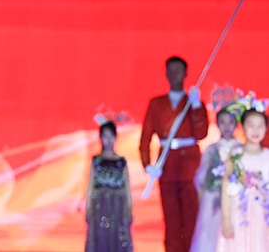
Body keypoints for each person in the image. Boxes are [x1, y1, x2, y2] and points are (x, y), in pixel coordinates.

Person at [138, 56, 209, 252]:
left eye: (178, 70)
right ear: (166, 74)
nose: (174, 74)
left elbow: (201, 133)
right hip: (166, 165)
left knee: (192, 216)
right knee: (171, 219)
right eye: (170, 70)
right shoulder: (156, 103)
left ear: (185, 74)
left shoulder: (193, 103)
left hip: (190, 167)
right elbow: (145, 138)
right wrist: (147, 165)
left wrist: (196, 107)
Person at [191, 107, 242, 252]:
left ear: (236, 124)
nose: (226, 127)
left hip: (235, 199)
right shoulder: (211, 149)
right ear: (217, 124)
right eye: (222, 122)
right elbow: (201, 177)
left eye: (230, 122)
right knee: (209, 233)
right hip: (212, 198)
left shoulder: (241, 149)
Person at [218, 105, 269, 251]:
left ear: (266, 128)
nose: (256, 130)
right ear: (242, 127)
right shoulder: (235, 156)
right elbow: (226, 189)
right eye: (251, 125)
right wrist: (226, 219)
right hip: (238, 214)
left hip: (262, 215)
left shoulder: (267, 155)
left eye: (260, 126)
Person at [85, 121, 134, 251]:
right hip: (99, 205)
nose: (108, 140)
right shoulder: (96, 161)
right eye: (105, 136)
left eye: (111, 136)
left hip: (118, 205)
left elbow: (127, 186)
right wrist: (88, 206)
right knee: (101, 236)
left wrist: (129, 207)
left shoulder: (121, 162)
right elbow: (90, 185)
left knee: (118, 236)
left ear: (116, 137)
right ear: (100, 138)